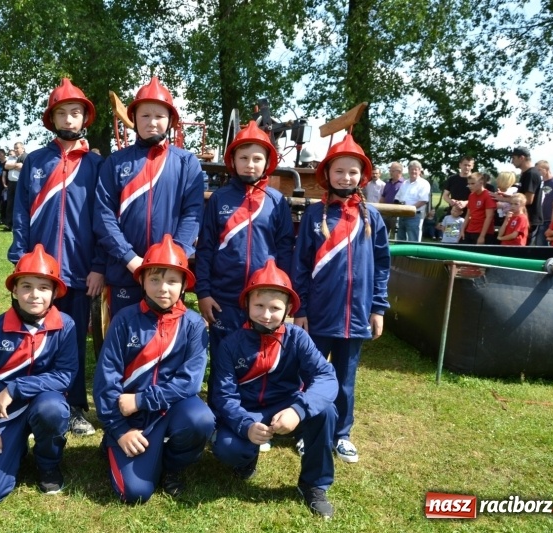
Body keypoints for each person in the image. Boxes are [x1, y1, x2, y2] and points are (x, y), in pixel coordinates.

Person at [9, 78, 105, 437]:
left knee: (73, 339)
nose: (68, 119)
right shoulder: (35, 160)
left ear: (85, 118)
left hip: (80, 270)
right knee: (34, 336)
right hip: (38, 271)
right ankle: (32, 400)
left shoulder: (96, 165)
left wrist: (99, 266)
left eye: (75, 113)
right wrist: (20, 258)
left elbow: (104, 220)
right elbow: (21, 214)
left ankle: (75, 406)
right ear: (52, 118)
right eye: (62, 113)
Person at [209, 259, 338, 519]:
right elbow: (223, 396)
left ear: (288, 309)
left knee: (326, 412)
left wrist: (298, 410)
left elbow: (326, 376)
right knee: (227, 449)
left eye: (275, 308)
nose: (266, 315)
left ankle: (314, 485)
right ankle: (247, 459)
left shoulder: (297, 338)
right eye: (259, 306)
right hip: (248, 411)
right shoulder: (230, 344)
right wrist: (246, 425)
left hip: (286, 408)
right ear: (247, 304)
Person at [292, 134, 390, 465]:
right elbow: (300, 265)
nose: (346, 177)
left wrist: (378, 308)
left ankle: (342, 434)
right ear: (327, 174)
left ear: (362, 176)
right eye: (339, 171)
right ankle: (308, 430)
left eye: (352, 172)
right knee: (311, 376)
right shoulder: (313, 215)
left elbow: (382, 267)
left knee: (346, 380)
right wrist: (301, 308)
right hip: (318, 314)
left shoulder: (372, 217)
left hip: (357, 315)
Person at [93, 235, 214, 504]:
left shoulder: (194, 324)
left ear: (184, 285)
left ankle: (172, 468)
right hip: (129, 416)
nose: (163, 288)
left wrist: (141, 400)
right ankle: (114, 442)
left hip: (168, 409)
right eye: (155, 279)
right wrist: (119, 429)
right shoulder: (124, 319)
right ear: (142, 281)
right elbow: (106, 379)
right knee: (135, 493)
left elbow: (190, 383)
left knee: (202, 420)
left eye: (172, 281)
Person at [0, 244, 78, 504]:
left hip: (44, 403)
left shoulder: (66, 326)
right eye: (26, 286)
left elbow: (65, 376)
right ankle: (16, 445)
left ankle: (48, 463)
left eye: (44, 287)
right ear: (14, 289)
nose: (35, 295)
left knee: (53, 410)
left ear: (55, 292)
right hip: (3, 413)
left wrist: (15, 388)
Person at [94, 76, 205, 316]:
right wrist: (129, 257)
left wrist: (173, 258)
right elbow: (104, 215)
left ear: (171, 120)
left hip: (169, 274)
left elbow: (193, 214)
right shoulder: (115, 162)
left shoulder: (187, 163)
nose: (152, 122)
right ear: (133, 118)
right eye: (145, 115)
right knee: (125, 332)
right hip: (124, 270)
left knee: (167, 333)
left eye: (159, 116)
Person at [195, 121, 294, 367]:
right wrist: (204, 293)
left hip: (264, 300)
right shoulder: (219, 198)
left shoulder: (277, 201)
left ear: (267, 162)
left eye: (257, 158)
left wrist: (283, 295)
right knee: (222, 361)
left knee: (257, 360)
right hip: (223, 299)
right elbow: (205, 248)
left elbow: (285, 250)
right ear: (233, 160)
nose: (250, 164)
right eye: (244, 158)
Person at [510, 146, 542, 245]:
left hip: (530, 219)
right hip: (523, 217)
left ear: (522, 158)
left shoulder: (531, 174)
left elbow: (528, 200)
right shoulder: (525, 173)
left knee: (524, 248)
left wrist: (506, 200)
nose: (512, 161)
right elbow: (522, 196)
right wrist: (506, 197)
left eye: (513, 158)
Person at [394, 160, 430, 242]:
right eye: (411, 169)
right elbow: (398, 197)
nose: (413, 171)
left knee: (413, 239)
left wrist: (409, 209)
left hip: (414, 215)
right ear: (408, 170)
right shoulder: (404, 183)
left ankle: (413, 251)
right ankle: (401, 251)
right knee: (400, 239)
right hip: (402, 215)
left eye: (416, 169)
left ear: (420, 171)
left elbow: (423, 200)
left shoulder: (424, 183)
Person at [459, 172, 497, 245]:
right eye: (469, 184)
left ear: (481, 183)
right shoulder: (471, 195)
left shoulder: (488, 195)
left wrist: (482, 236)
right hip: (470, 230)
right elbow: (468, 214)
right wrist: (462, 230)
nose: (470, 186)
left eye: (473, 183)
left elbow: (489, 217)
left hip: (483, 232)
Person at [534, 160, 553, 246]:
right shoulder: (538, 183)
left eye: (539, 170)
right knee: (539, 244)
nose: (537, 172)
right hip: (540, 219)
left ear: (546, 169)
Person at [3, 142, 26, 231]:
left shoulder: (26, 157)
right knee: (10, 204)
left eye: (17, 148)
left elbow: (23, 168)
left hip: (20, 183)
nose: (15, 150)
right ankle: (8, 224)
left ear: (22, 148)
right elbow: (6, 166)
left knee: (19, 204)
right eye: (14, 148)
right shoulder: (11, 157)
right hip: (11, 183)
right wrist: (16, 165)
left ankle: (19, 224)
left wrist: (11, 166)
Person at [379, 162, 404, 239]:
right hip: (385, 213)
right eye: (390, 170)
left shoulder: (404, 184)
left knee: (396, 236)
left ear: (399, 172)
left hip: (396, 214)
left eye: (392, 171)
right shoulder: (388, 183)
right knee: (383, 235)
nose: (390, 172)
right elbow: (383, 197)